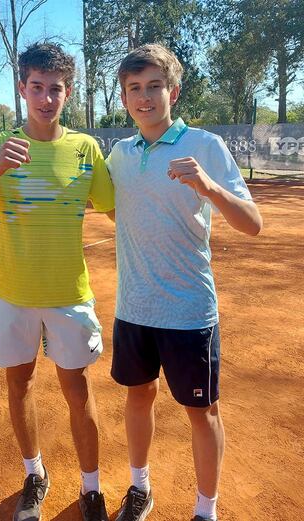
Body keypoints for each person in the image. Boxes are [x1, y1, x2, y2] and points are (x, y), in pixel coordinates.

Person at [0, 43, 114, 521]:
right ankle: (34, 474)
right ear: (22, 89)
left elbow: (118, 209)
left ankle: (91, 488)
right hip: (11, 295)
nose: (46, 98)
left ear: (68, 92)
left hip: (69, 295)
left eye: (55, 89)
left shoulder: (85, 149)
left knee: (78, 391)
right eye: (37, 87)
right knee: (19, 384)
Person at [105, 44, 263, 521]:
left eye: (155, 86)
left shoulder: (205, 146)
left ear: (173, 91)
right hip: (133, 307)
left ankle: (205, 510)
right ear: (124, 98)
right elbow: (107, 206)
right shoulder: (120, 154)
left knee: (202, 412)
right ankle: (140, 488)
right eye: (134, 88)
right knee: (138, 396)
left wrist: (208, 187)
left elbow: (252, 223)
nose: (144, 97)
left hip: (188, 310)